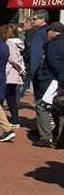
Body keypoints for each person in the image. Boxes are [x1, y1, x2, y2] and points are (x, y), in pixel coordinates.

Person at [32, 20, 64, 148]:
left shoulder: (53, 45)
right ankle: (60, 137)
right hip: (58, 80)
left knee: (42, 106)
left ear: (52, 32)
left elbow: (55, 65)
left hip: (53, 81)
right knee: (60, 109)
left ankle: (46, 137)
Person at [27, 10, 55, 147]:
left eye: (34, 18)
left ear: (42, 19)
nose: (32, 20)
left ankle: (44, 134)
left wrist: (32, 74)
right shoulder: (51, 33)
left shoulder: (38, 34)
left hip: (42, 74)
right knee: (51, 103)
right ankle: (47, 130)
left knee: (41, 104)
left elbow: (36, 56)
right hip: (54, 74)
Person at [4, 23, 26, 129]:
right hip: (15, 74)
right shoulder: (19, 43)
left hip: (9, 72)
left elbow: (12, 59)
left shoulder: (9, 43)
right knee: (11, 97)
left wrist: (21, 69)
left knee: (1, 97)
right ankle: (15, 119)